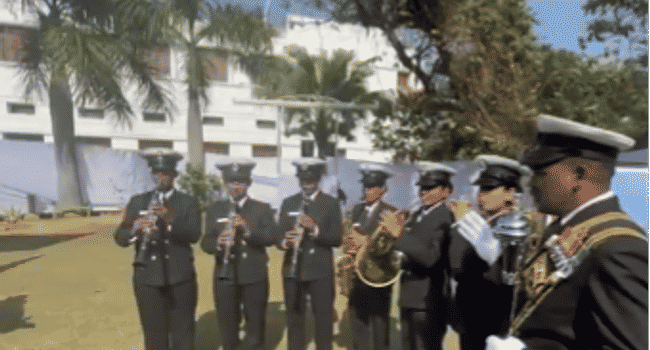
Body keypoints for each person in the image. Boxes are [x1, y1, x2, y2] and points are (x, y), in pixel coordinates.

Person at [486, 114, 648, 350]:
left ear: (578, 175)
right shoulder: (564, 226)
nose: (529, 184)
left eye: (540, 172)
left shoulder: (618, 246)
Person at [114, 148, 200, 350]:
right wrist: (134, 229)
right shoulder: (138, 201)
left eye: (165, 174)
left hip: (180, 277)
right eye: (156, 174)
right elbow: (120, 237)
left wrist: (169, 219)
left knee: (183, 333)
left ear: (174, 175)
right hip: (148, 277)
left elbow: (194, 234)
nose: (160, 178)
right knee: (153, 335)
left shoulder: (187, 202)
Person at [447, 155, 532, 350]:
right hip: (469, 318)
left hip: (495, 321)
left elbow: (515, 282)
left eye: (490, 189)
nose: (481, 195)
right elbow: (456, 266)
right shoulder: (479, 225)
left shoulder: (516, 227)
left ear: (511, 193)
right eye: (481, 188)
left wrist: (494, 257)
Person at [200, 161, 278, 350]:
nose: (236, 186)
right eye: (232, 182)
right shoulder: (215, 208)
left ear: (249, 183)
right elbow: (205, 242)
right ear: (226, 183)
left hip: (254, 276)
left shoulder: (262, 208)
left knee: (255, 326)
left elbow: (272, 237)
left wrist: (248, 231)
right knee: (227, 327)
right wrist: (218, 242)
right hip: (225, 276)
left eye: (241, 182)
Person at [389, 162, 456, 350]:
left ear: (446, 191)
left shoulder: (445, 217)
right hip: (410, 296)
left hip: (428, 300)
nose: (423, 192)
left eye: (430, 188)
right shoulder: (418, 214)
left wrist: (400, 235)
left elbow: (431, 258)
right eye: (422, 188)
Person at [278, 158, 343, 350]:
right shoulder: (289, 202)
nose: (307, 184)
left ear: (318, 180)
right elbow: (278, 235)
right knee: (294, 318)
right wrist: (286, 241)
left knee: (323, 319)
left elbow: (336, 238)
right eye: (303, 180)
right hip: (293, 270)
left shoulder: (330, 204)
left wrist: (314, 229)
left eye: (311, 181)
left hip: (320, 270)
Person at [343, 163, 397, 350]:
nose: (367, 191)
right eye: (365, 187)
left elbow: (388, 248)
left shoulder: (390, 213)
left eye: (372, 187)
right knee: (358, 319)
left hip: (378, 276)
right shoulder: (357, 210)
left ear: (382, 189)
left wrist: (364, 241)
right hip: (357, 274)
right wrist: (349, 245)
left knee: (379, 323)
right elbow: (349, 236)